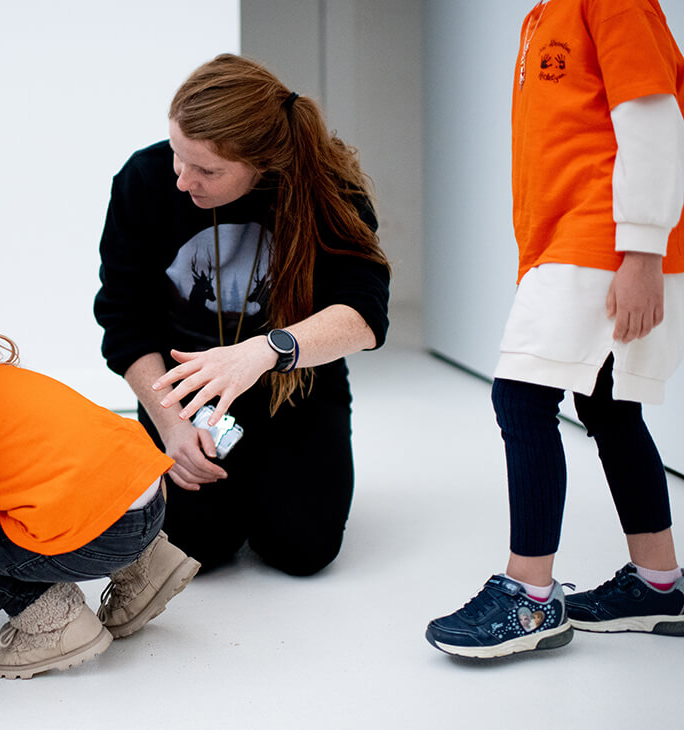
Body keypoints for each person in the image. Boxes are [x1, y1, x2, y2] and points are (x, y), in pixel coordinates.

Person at [426, 0, 684, 659]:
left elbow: (655, 120)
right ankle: (659, 583)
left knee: (521, 397)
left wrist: (644, 252)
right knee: (608, 406)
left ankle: (529, 598)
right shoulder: (544, 15)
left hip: (602, 242)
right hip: (569, 244)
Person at [93, 54, 391, 578]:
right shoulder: (143, 180)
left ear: (262, 163)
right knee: (195, 549)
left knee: (303, 552)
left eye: (207, 170)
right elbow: (124, 319)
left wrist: (264, 352)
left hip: (295, 387)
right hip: (182, 396)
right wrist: (171, 425)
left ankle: (270, 476)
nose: (184, 181)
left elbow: (364, 315)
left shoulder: (329, 189)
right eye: (177, 157)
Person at [0, 294, 201, 679]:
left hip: (106, 535)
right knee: (34, 475)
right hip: (150, 496)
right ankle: (146, 563)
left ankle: (52, 620)